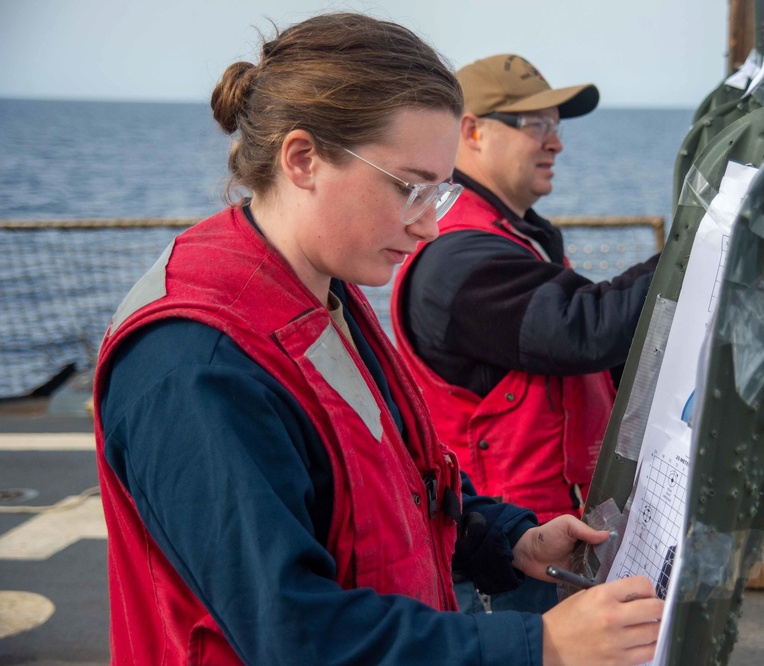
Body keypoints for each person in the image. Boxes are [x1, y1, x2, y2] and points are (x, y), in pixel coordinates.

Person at [92, 13, 664, 666]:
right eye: (407, 188)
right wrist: (541, 644)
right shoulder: (196, 363)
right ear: (302, 159)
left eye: (439, 192)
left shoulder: (323, 291)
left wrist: (508, 540)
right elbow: (293, 635)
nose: (425, 227)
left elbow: (395, 484)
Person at [390, 54, 660, 613]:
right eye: (536, 124)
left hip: (544, 546)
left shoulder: (512, 240)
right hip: (504, 567)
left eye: (556, 126)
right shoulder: (458, 258)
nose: (555, 142)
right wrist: (696, 247)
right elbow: (584, 330)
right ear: (472, 131)